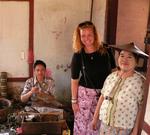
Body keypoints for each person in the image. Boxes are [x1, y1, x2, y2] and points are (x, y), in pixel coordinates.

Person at [92, 42, 149, 135]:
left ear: (136, 62)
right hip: (105, 125)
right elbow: (102, 97)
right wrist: (95, 118)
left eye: (130, 57)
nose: (124, 60)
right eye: (122, 56)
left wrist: (135, 131)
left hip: (123, 129)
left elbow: (141, 108)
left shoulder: (140, 82)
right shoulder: (111, 76)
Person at [71, 21, 116, 135]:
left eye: (89, 34)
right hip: (84, 96)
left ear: (95, 34)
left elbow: (114, 73)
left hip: (104, 95)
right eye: (83, 35)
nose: (86, 38)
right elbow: (74, 80)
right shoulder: (78, 54)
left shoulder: (106, 51)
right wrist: (74, 101)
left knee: (99, 126)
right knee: (82, 127)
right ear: (79, 37)